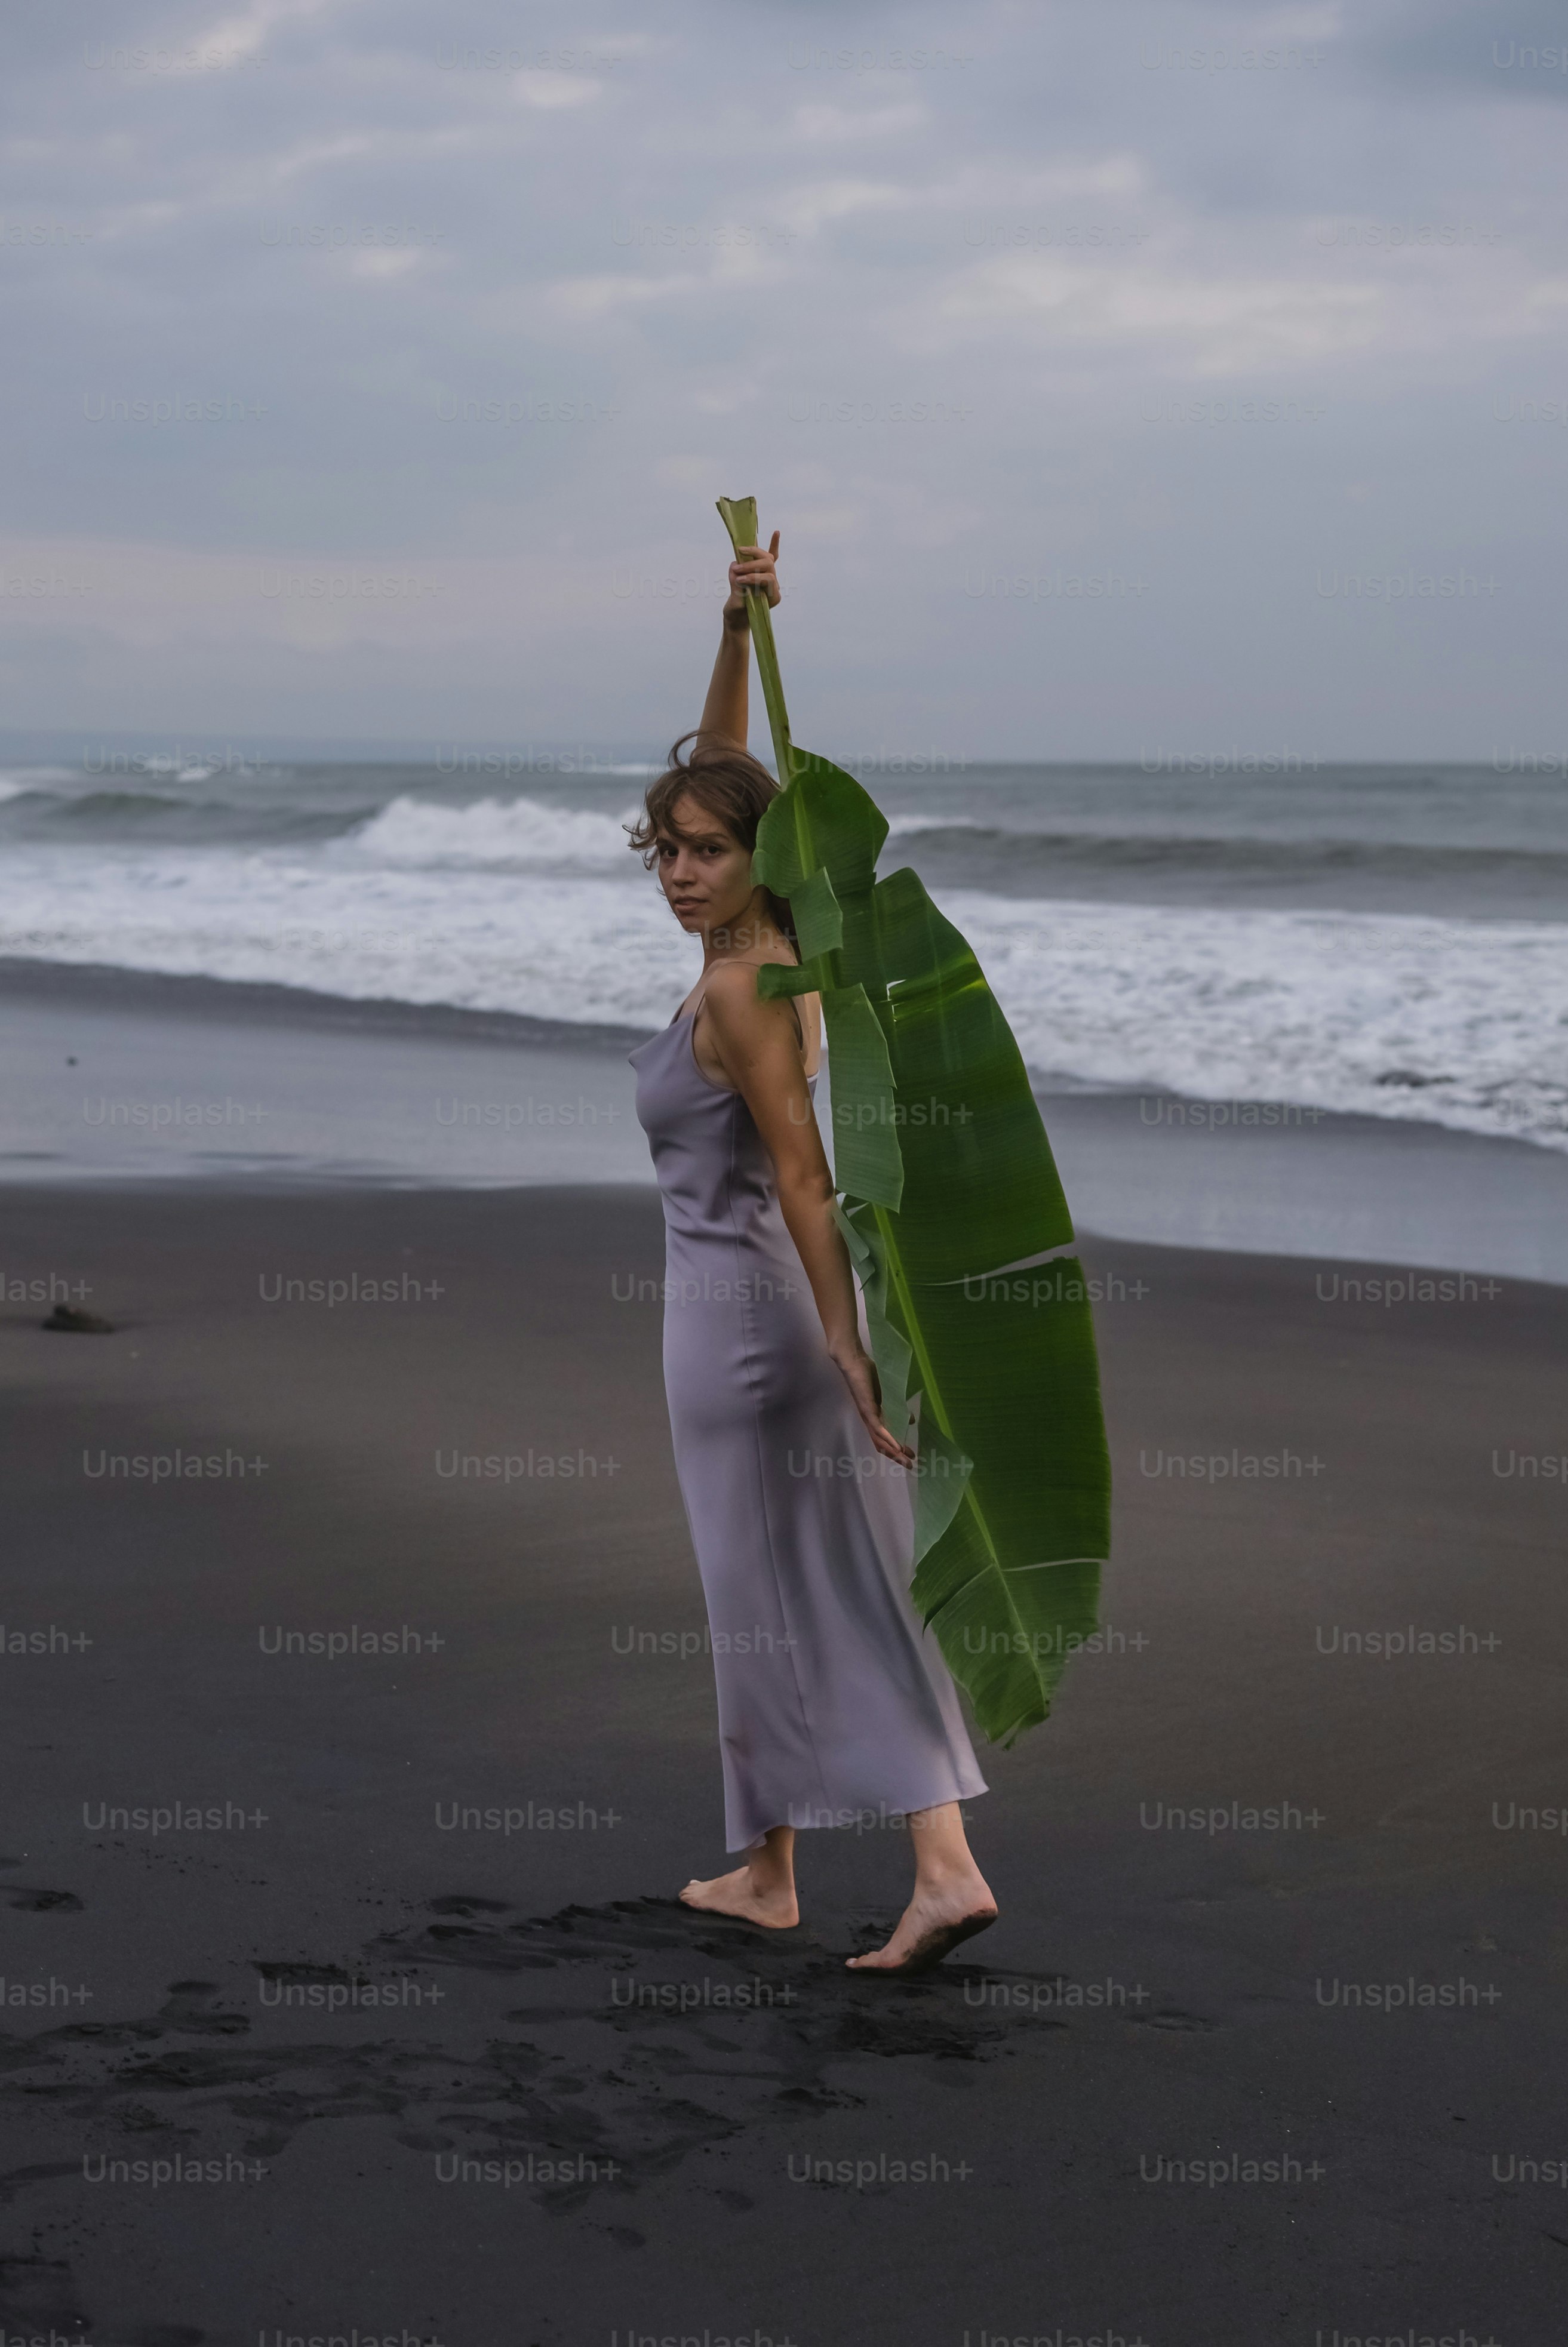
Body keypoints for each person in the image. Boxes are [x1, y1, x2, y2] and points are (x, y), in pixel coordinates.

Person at [626, 530, 997, 1973]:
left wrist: (846, 1345)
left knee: (812, 1589)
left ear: (750, 859)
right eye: (663, 846)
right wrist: (731, 626)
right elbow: (716, 769)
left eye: (702, 849)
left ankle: (942, 1860)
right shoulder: (762, 947)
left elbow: (801, 1171)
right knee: (770, 1591)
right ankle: (766, 1867)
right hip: (739, 1321)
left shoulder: (739, 994)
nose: (675, 867)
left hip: (744, 1332)